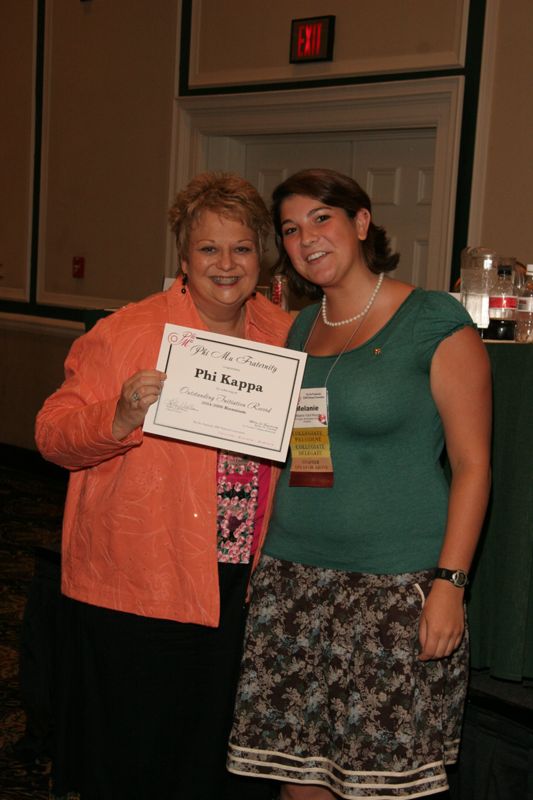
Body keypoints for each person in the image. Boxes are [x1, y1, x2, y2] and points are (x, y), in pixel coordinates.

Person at [227, 168, 492, 799]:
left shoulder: (433, 319)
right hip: (293, 581)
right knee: (298, 781)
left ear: (362, 223)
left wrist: (450, 584)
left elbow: (474, 466)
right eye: (291, 229)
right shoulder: (299, 328)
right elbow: (301, 456)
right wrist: (265, 560)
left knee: (384, 784)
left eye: (322, 218)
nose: (306, 239)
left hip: (394, 590)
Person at [35, 171, 292, 800]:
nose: (226, 264)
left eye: (241, 248)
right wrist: (118, 418)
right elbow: (51, 434)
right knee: (138, 757)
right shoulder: (127, 332)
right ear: (183, 256)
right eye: (209, 249)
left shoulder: (286, 335)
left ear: (262, 254)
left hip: (242, 580)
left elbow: (308, 444)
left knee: (217, 756)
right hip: (140, 582)